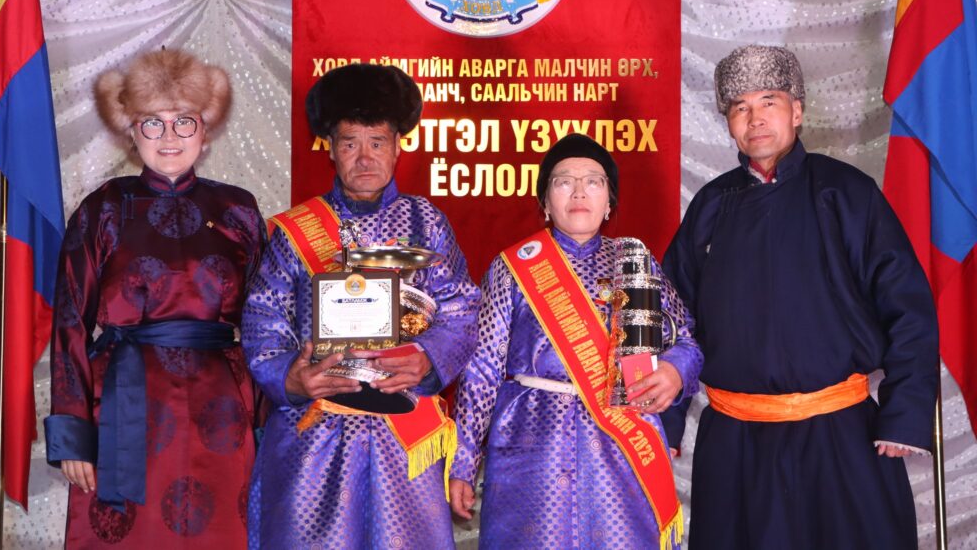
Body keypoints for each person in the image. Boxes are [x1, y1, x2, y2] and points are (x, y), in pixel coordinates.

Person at [662, 45, 939, 550]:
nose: (755, 118)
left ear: (797, 111)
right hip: (735, 442)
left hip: (840, 435)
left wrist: (904, 412)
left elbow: (908, 307)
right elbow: (671, 320)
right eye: (740, 107)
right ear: (729, 124)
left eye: (769, 101)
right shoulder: (709, 207)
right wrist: (666, 421)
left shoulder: (847, 193)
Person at [241, 63, 480, 549]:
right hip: (315, 431)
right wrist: (290, 378)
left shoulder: (427, 222)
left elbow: (461, 310)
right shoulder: (295, 231)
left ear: (398, 146)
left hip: (403, 433)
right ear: (330, 148)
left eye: (377, 142)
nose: (365, 158)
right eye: (350, 143)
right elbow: (263, 318)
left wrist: (427, 358)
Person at [44, 49, 266, 547]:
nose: (169, 137)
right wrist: (72, 433)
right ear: (132, 132)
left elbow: (265, 325)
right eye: (153, 123)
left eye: (184, 121)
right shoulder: (103, 208)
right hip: (125, 407)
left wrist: (267, 426)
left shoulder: (239, 210)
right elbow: (70, 321)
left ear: (205, 131)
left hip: (223, 411)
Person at [449, 133, 703, 549]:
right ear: (546, 203)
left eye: (593, 182)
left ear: (609, 203)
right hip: (531, 442)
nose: (579, 192)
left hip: (620, 443)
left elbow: (686, 340)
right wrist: (463, 462)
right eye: (564, 181)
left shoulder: (635, 262)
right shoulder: (511, 268)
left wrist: (675, 370)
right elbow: (482, 370)